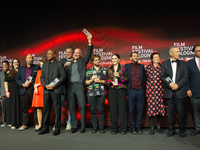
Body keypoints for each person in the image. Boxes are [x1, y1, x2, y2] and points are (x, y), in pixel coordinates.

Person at [67, 33, 93, 134]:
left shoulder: (82, 62)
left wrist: (89, 41)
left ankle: (82, 127)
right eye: (75, 52)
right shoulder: (68, 64)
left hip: (79, 86)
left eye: (78, 52)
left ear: (80, 54)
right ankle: (74, 126)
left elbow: (89, 53)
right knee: (72, 106)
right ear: (73, 54)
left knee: (82, 105)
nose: (76, 54)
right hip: (70, 87)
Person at [161, 46, 187, 138]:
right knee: (170, 112)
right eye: (177, 52)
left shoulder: (184, 64)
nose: (179, 53)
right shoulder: (164, 64)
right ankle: (171, 130)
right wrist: (170, 84)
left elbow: (185, 77)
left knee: (181, 112)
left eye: (179, 51)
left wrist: (178, 85)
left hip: (180, 91)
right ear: (171, 53)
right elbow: (163, 76)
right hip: (169, 91)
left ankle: (182, 130)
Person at [38, 49, 66, 136]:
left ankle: (57, 128)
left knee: (57, 110)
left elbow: (63, 76)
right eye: (47, 54)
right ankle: (45, 128)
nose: (48, 55)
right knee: (46, 110)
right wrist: (45, 85)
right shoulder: (45, 65)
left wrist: (54, 85)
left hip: (56, 90)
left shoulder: (59, 64)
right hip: (46, 90)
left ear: (54, 55)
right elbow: (42, 77)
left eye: (50, 54)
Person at [16, 54, 40, 131]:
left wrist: (31, 82)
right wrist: (21, 84)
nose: (31, 59)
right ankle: (24, 124)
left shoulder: (37, 67)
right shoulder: (21, 68)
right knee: (24, 108)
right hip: (23, 90)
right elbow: (17, 78)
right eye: (29, 58)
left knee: (36, 108)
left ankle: (37, 124)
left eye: (32, 58)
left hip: (33, 90)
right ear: (26, 59)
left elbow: (38, 77)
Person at [107, 54, 128, 135]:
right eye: (112, 58)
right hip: (112, 89)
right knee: (113, 109)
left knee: (122, 109)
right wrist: (110, 82)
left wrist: (119, 77)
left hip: (121, 89)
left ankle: (123, 129)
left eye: (115, 58)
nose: (114, 60)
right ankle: (114, 128)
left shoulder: (123, 68)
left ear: (119, 60)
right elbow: (106, 80)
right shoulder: (109, 69)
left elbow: (126, 79)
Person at [85, 54, 108, 133]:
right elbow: (86, 82)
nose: (98, 61)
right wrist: (91, 80)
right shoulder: (89, 71)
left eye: (98, 59)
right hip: (91, 93)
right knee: (93, 110)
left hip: (101, 93)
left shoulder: (104, 70)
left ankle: (101, 127)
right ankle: (94, 127)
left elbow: (108, 82)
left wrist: (100, 81)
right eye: (96, 60)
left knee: (101, 110)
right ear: (92, 62)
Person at [125, 52, 146, 134]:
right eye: (134, 56)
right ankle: (132, 126)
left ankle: (138, 126)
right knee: (131, 109)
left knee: (140, 109)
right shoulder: (126, 66)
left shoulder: (142, 66)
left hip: (140, 90)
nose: (136, 57)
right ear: (130, 58)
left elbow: (144, 78)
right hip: (131, 90)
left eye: (137, 56)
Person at [146, 51, 165, 135]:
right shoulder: (148, 68)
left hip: (161, 92)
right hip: (151, 93)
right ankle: (152, 127)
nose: (157, 59)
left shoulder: (162, 67)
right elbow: (145, 80)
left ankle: (158, 127)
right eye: (155, 57)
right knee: (152, 110)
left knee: (160, 110)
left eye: (158, 57)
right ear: (152, 59)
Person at [56, 47, 74, 131]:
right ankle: (57, 123)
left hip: (71, 87)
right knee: (60, 105)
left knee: (71, 106)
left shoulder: (75, 61)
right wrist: (64, 66)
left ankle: (69, 123)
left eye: (69, 52)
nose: (68, 53)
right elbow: (57, 73)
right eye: (66, 52)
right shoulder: (61, 61)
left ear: (72, 53)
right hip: (62, 87)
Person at [187, 44, 200, 136]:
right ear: (194, 52)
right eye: (198, 50)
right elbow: (186, 78)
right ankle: (198, 128)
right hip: (195, 91)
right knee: (196, 112)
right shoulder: (189, 63)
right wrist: (188, 89)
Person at [4, 58, 21, 129]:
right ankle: (13, 123)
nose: (16, 63)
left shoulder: (21, 71)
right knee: (12, 107)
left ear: (19, 63)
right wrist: (7, 91)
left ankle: (19, 123)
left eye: (17, 62)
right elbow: (6, 82)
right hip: (12, 92)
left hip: (20, 91)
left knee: (19, 107)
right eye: (14, 62)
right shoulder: (9, 72)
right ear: (12, 64)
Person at [32, 58, 47, 131]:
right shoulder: (39, 71)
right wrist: (35, 87)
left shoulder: (48, 71)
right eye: (40, 65)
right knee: (38, 109)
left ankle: (45, 124)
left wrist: (37, 85)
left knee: (46, 109)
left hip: (45, 90)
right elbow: (36, 80)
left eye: (43, 65)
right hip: (38, 91)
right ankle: (40, 124)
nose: (41, 66)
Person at [0, 60, 10, 127]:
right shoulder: (0, 73)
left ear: (8, 65)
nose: (4, 66)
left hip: (10, 93)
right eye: (3, 65)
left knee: (10, 108)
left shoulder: (11, 72)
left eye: (6, 65)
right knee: (4, 109)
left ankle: (10, 121)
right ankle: (5, 121)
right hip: (2, 93)